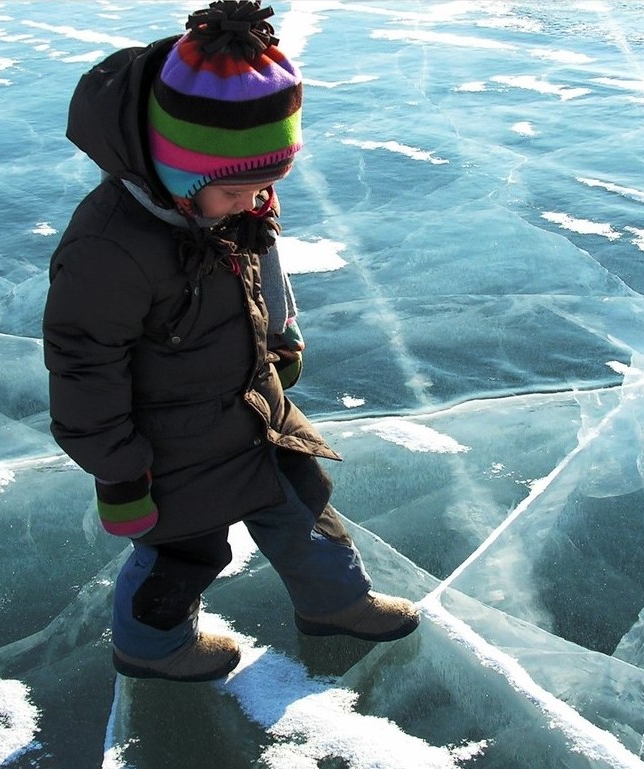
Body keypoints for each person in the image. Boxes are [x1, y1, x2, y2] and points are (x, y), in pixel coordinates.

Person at [42, 0, 419, 683]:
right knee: (185, 551)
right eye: (239, 190)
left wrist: (281, 337)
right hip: (170, 445)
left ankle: (337, 602)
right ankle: (150, 647)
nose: (256, 202)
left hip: (252, 408)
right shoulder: (109, 249)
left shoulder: (230, 202)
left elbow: (262, 268)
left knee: (304, 505)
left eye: (268, 184)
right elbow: (82, 366)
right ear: (178, 176)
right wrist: (121, 471)